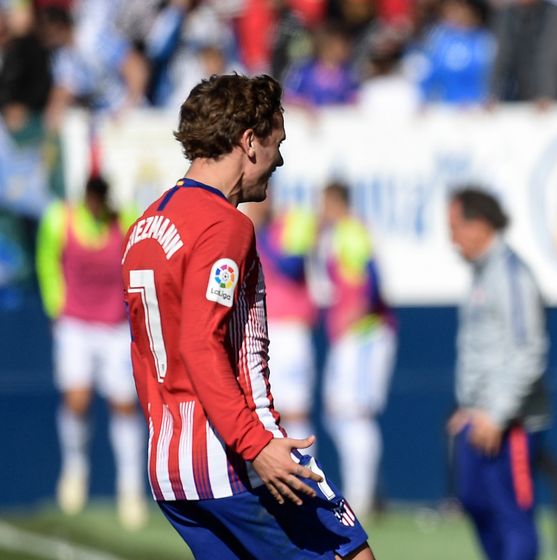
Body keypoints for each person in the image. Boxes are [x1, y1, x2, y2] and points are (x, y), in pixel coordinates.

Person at [120, 73, 372, 559]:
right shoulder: (224, 224)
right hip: (232, 453)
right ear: (248, 141)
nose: (279, 158)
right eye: (277, 142)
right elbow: (199, 341)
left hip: (171, 464)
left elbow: (145, 354)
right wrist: (254, 443)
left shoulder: (145, 225)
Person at [36, 175, 147, 530]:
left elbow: (142, 258)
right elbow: (47, 261)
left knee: (124, 404)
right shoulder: (60, 218)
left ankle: (130, 488)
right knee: (77, 399)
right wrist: (56, 306)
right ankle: (75, 468)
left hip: (114, 326)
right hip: (76, 325)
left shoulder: (124, 219)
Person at [447, 187, 550, 560]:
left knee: (513, 517)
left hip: (511, 423)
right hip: (479, 417)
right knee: (474, 502)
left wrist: (497, 413)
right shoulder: (482, 274)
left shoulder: (511, 275)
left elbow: (529, 352)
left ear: (479, 226)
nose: (452, 239)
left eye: (456, 227)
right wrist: (471, 407)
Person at [318, 182, 396, 520]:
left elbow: (373, 278)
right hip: (350, 337)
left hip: (364, 336)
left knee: (355, 413)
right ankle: (360, 493)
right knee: (338, 413)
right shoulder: (337, 234)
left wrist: (357, 312)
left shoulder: (350, 231)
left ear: (335, 202)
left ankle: (361, 499)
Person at [242, 201, 320, 447]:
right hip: (261, 330)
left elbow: (292, 266)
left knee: (296, 411)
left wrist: (260, 233)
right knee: (267, 412)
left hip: (291, 330)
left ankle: (306, 478)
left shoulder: (290, 223)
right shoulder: (241, 228)